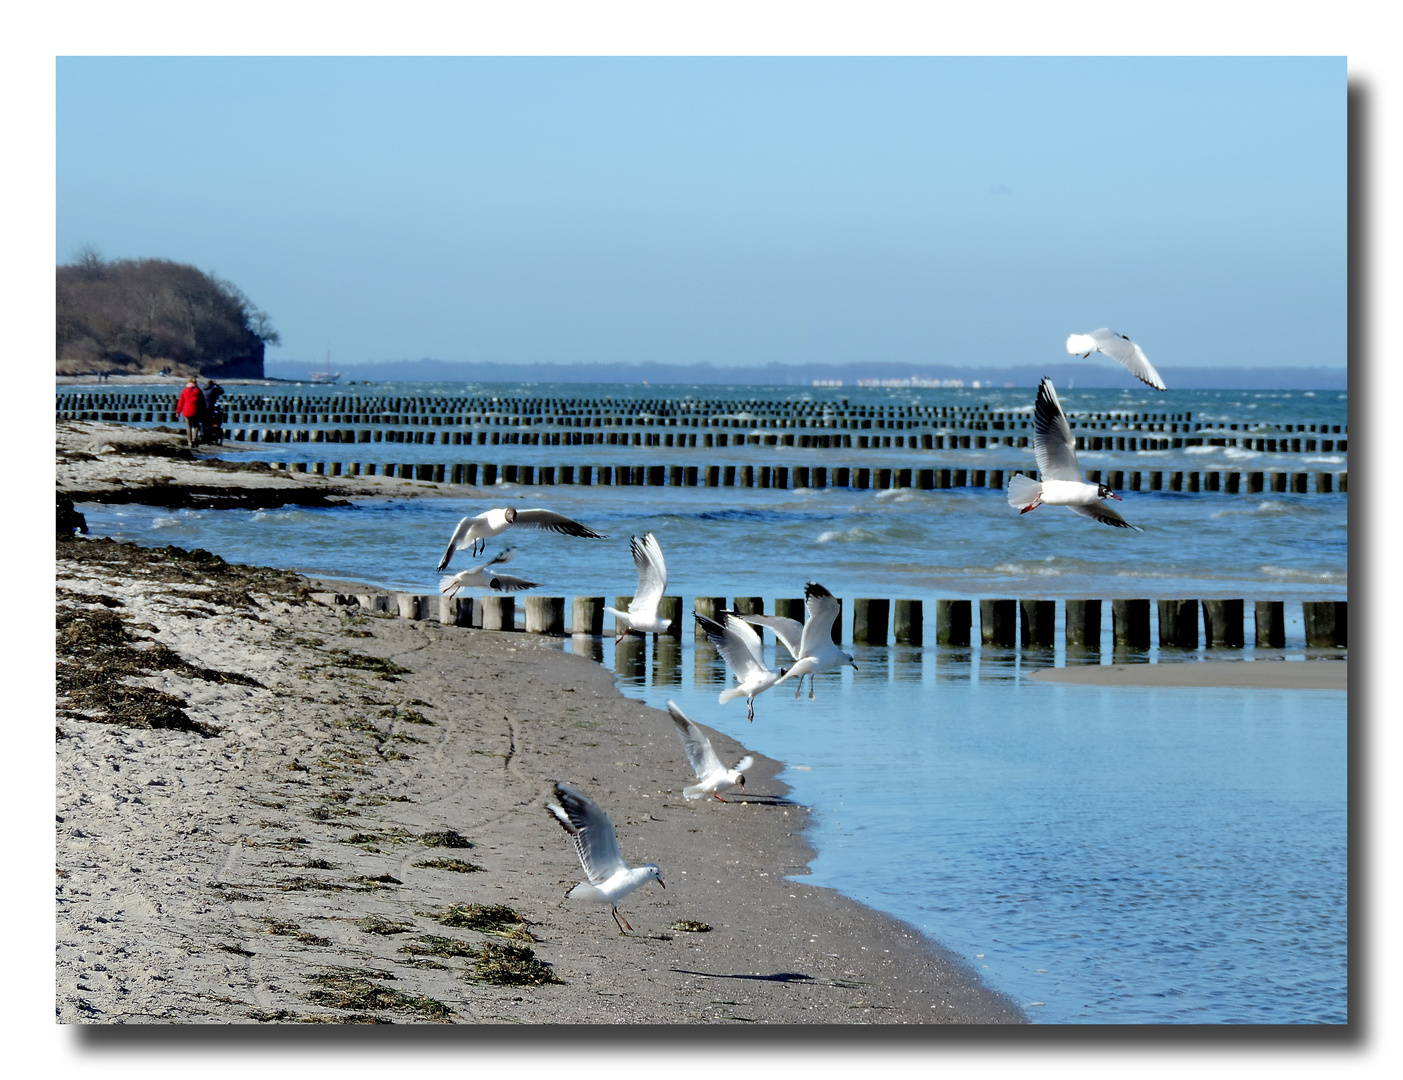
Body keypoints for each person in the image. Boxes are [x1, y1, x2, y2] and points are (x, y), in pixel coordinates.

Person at [175, 376, 204, 448]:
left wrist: (178, 412)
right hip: (196, 411)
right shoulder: (198, 391)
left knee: (189, 427)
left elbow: (180, 402)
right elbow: (202, 402)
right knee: (196, 426)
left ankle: (190, 442)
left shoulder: (184, 391)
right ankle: (194, 439)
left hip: (186, 411)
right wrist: (204, 410)